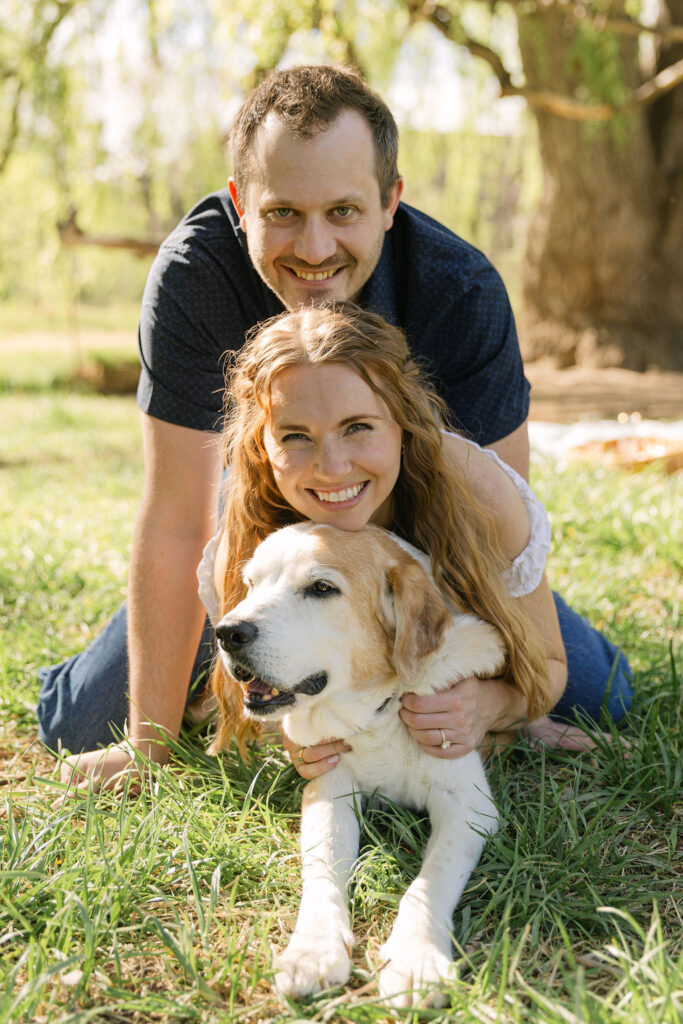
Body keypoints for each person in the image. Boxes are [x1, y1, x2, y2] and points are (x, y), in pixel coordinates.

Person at [37, 65, 632, 791]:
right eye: (282, 212)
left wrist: (501, 699)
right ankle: (191, 664)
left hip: (418, 551)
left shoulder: (461, 290)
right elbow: (175, 517)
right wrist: (150, 745)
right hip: (258, 540)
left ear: (390, 201)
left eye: (343, 212)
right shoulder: (193, 276)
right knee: (84, 720)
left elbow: (492, 526)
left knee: (597, 698)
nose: (314, 249)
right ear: (240, 204)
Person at [205, 304, 566, 768]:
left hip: (480, 595)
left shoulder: (479, 493)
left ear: (403, 422)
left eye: (357, 427)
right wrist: (295, 735)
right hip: (303, 638)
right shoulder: (255, 530)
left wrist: (492, 706)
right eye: (295, 436)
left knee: (602, 694)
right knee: (122, 700)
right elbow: (255, 687)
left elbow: (549, 670)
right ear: (262, 446)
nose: (332, 468)